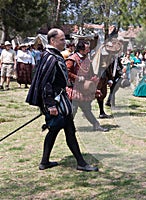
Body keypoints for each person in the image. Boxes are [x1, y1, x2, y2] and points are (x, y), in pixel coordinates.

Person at [26, 28, 98, 172]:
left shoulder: (53, 55)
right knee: (66, 130)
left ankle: (45, 162)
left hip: (60, 99)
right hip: (55, 101)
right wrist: (50, 104)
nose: (65, 42)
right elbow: (46, 82)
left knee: (59, 130)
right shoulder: (50, 57)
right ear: (52, 41)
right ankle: (81, 163)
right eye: (62, 40)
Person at [65, 40, 108, 132]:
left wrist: (93, 86)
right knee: (73, 109)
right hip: (74, 88)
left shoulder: (87, 60)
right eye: (87, 49)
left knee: (87, 109)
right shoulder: (72, 59)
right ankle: (68, 127)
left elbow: (91, 74)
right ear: (81, 50)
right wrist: (77, 78)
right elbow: (67, 72)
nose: (88, 50)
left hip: (84, 89)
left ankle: (96, 125)